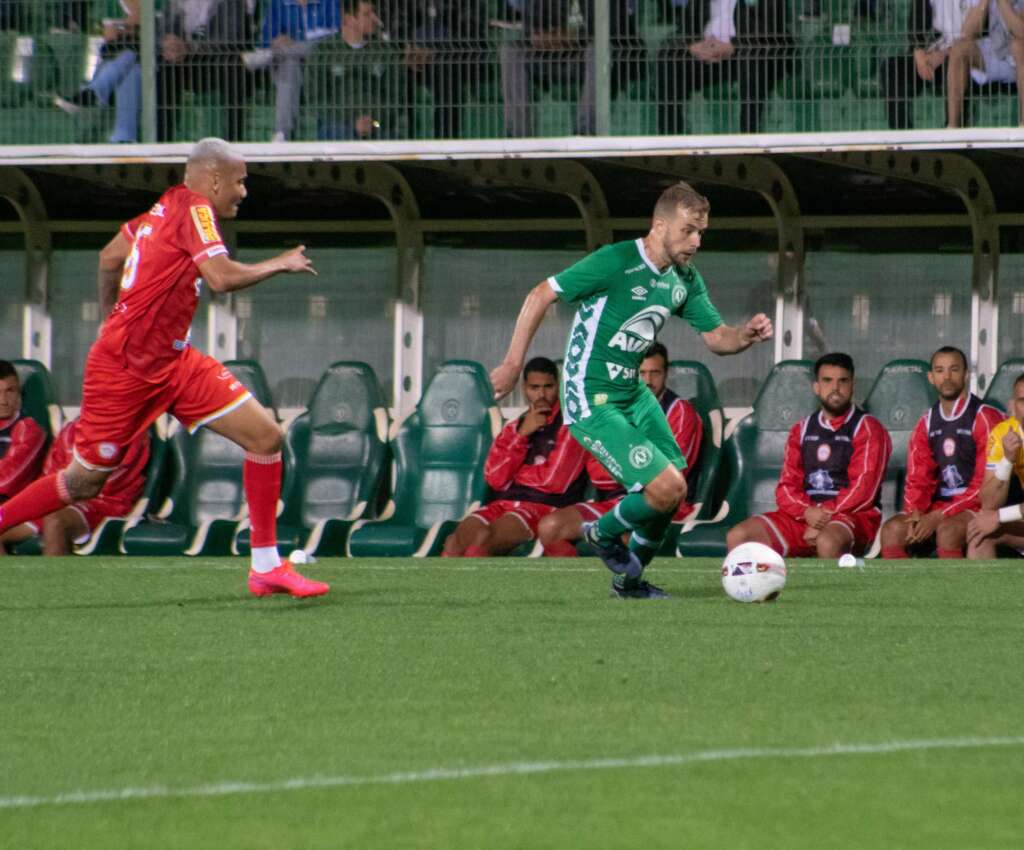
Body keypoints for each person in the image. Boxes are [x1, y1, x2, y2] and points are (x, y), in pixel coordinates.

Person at [0, 138, 327, 597]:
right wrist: (282, 263)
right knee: (83, 481)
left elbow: (109, 257)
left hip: (173, 361)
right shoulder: (195, 210)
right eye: (240, 181)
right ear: (214, 179)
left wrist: (110, 315)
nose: (243, 191)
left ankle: (266, 566)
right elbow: (221, 278)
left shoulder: (163, 207)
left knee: (266, 437)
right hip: (126, 369)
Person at [490, 180, 773, 599]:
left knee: (672, 490)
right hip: (590, 395)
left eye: (701, 233)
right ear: (659, 225)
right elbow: (541, 294)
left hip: (632, 391)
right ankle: (601, 534)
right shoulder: (616, 260)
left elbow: (717, 339)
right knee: (663, 488)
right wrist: (513, 362)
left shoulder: (684, 279)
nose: (696, 241)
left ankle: (629, 582)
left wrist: (744, 334)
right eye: (688, 231)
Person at [537, 342, 703, 556]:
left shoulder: (679, 411)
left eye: (655, 373)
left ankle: (630, 584)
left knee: (627, 535)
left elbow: (672, 475)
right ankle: (580, 586)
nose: (648, 381)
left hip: (658, 505)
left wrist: (621, 463)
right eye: (641, 373)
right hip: (614, 501)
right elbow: (596, 472)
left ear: (666, 373)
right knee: (550, 528)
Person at [726, 353, 892, 559]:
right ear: (816, 387)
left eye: (843, 381)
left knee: (827, 540)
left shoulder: (868, 428)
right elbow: (786, 488)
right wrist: (807, 513)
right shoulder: (801, 429)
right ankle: (755, 590)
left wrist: (822, 518)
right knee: (739, 536)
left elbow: (863, 491)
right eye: (827, 380)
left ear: (852, 385)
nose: (835, 388)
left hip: (853, 517)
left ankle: (832, 591)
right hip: (805, 515)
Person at [442, 357, 587, 556]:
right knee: (455, 541)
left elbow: (553, 482)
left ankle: (476, 587)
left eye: (549, 386)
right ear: (524, 388)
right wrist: (522, 436)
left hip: (543, 508)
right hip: (503, 503)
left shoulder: (571, 425)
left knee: (482, 539)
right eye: (535, 388)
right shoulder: (514, 426)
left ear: (558, 385)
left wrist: (515, 474)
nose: (542, 394)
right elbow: (495, 478)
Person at [879, 346, 1003, 559]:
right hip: (939, 508)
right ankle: (900, 592)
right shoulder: (926, 422)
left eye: (954, 369)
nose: (947, 377)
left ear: (966, 374)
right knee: (893, 530)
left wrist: (939, 516)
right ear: (931, 377)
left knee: (947, 531)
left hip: (978, 506)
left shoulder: (984, 416)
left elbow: (986, 486)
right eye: (939, 370)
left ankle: (953, 592)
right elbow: (918, 479)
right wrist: (915, 512)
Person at [0, 418, 148, 556]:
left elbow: (100, 484)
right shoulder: (71, 429)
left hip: (102, 504)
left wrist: (68, 486)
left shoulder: (131, 432)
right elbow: (49, 475)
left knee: (55, 520)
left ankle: (52, 584)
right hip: (64, 502)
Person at [499, 0, 643, 137]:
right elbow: (530, 26)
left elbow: (615, 32)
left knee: (599, 50)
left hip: (585, 58)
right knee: (511, 52)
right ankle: (518, 135)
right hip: (547, 55)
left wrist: (573, 36)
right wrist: (539, 35)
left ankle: (586, 133)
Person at [656, 0, 794, 135]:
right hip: (708, 55)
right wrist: (692, 46)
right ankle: (670, 136)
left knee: (752, 57)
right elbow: (684, 30)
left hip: (745, 54)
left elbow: (770, 29)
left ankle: (750, 136)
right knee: (667, 57)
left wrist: (732, 46)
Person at [158, 0, 253, 142]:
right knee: (163, 69)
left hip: (216, 62)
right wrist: (169, 42)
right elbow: (162, 29)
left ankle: (234, 140)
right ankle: (162, 140)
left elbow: (231, 38)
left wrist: (190, 47)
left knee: (234, 66)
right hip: (186, 61)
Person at [52, 0, 145, 143]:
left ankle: (93, 93)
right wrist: (132, 26)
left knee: (130, 58)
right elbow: (110, 36)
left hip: (151, 59)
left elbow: (153, 28)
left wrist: (126, 27)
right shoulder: (111, 3)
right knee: (130, 64)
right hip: (119, 57)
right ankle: (124, 136)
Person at [308, 0, 402, 139]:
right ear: (348, 19)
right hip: (337, 123)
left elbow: (397, 97)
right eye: (367, 14)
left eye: (374, 12)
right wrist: (352, 122)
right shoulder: (324, 51)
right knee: (337, 131)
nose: (375, 18)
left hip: (377, 123)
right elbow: (315, 98)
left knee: (390, 135)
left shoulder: (385, 51)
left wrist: (374, 120)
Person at [258, 0, 340, 142]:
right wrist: (275, 41)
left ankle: (262, 58)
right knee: (290, 66)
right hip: (291, 63)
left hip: (323, 61)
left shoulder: (329, 3)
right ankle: (282, 133)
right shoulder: (279, 4)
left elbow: (337, 34)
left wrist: (295, 42)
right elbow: (266, 39)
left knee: (310, 47)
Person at [878, 0, 965, 129]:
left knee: (958, 68)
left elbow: (977, 32)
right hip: (930, 54)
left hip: (961, 55)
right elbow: (915, 26)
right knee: (893, 68)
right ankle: (901, 134)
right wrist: (920, 55)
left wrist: (944, 54)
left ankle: (954, 131)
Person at [966, 373, 1024, 557]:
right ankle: (980, 587)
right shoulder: (1003, 434)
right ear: (1013, 405)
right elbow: (989, 502)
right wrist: (1007, 460)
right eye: (1023, 401)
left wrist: (999, 517)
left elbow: (995, 513)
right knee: (980, 533)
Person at [946, 0, 1024, 128]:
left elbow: (1021, 32)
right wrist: (984, 3)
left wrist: (1003, 3)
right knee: (959, 50)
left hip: (1020, 55)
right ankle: (953, 127)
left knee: (1018, 46)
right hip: (997, 51)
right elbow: (967, 32)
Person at [0, 360, 47, 505]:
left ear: (19, 393)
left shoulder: (29, 429)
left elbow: (6, 480)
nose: (3, 400)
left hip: (11, 509)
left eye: (10, 391)